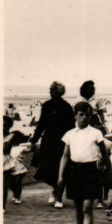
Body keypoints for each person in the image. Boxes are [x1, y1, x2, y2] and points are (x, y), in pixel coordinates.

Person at [57, 102, 111, 224]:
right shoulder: (69, 134)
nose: (84, 118)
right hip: (75, 171)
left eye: (87, 114)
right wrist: (61, 175)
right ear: (75, 116)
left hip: (91, 171)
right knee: (79, 207)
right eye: (81, 114)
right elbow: (65, 156)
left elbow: (105, 155)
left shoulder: (95, 133)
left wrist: (109, 173)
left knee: (87, 206)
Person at [31, 81, 75, 209]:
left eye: (53, 90)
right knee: (46, 166)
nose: (50, 92)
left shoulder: (66, 107)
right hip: (48, 140)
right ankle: (55, 188)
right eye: (50, 90)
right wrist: (34, 140)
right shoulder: (46, 105)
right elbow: (41, 124)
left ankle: (58, 193)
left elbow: (70, 126)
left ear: (59, 92)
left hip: (61, 141)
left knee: (59, 168)